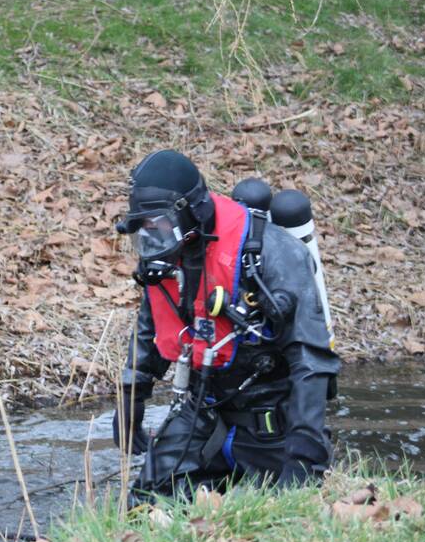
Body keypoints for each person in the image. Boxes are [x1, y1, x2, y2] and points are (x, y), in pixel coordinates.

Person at [112, 150, 339, 501]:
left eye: (157, 227)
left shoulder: (275, 254)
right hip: (204, 411)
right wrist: (132, 398)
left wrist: (303, 454)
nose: (151, 241)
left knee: (283, 517)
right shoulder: (168, 257)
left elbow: (311, 360)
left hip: (273, 423)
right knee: (144, 504)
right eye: (143, 231)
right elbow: (152, 326)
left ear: (189, 213)